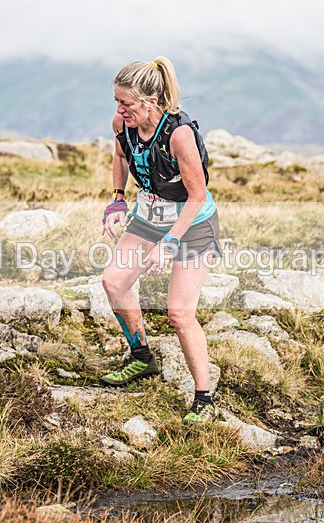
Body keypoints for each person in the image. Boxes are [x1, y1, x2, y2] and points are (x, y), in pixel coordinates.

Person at [100, 56, 222, 424]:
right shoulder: (122, 123)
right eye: (117, 102)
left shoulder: (179, 135)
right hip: (149, 216)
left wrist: (169, 243)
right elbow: (121, 156)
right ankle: (142, 358)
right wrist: (117, 199)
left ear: (151, 102)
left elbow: (197, 195)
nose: (120, 110)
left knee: (180, 313)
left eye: (127, 103)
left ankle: (204, 397)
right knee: (113, 282)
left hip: (192, 222)